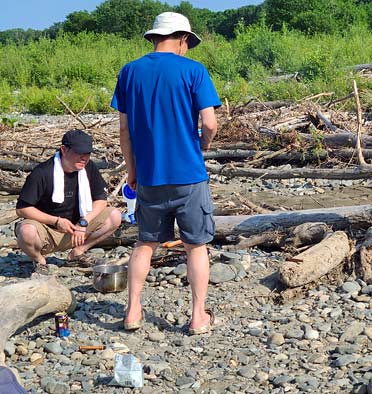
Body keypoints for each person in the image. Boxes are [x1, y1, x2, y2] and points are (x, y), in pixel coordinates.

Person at [111, 12, 221, 334]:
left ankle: (132, 311)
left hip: (149, 176)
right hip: (189, 175)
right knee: (195, 247)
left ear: (155, 37)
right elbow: (210, 123)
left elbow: (124, 130)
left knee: (144, 244)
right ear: (183, 39)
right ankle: (198, 316)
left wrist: (132, 170)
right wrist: (201, 145)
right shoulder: (194, 70)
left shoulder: (130, 71)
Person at [15, 129, 122, 275]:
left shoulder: (88, 167)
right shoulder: (42, 173)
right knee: (26, 231)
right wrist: (56, 221)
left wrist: (84, 222)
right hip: (47, 231)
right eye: (79, 153)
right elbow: (22, 209)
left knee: (115, 215)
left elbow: (101, 200)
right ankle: (39, 261)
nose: (84, 158)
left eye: (88, 153)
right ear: (64, 150)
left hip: (77, 230)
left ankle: (77, 253)